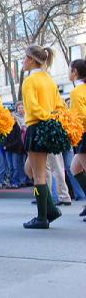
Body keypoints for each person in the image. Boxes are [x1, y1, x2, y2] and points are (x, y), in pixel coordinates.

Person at [22, 44, 63, 229]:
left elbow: (31, 107)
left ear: (31, 60)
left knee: (38, 174)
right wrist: (52, 118)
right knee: (29, 169)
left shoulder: (30, 81)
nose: (23, 61)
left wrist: (46, 117)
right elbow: (60, 105)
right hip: (45, 126)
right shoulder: (49, 79)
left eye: (25, 58)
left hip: (37, 126)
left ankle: (42, 217)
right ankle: (51, 209)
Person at [69, 59, 86, 221]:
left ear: (75, 71)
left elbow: (80, 116)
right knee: (75, 168)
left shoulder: (76, 91)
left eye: (70, 70)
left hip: (84, 133)